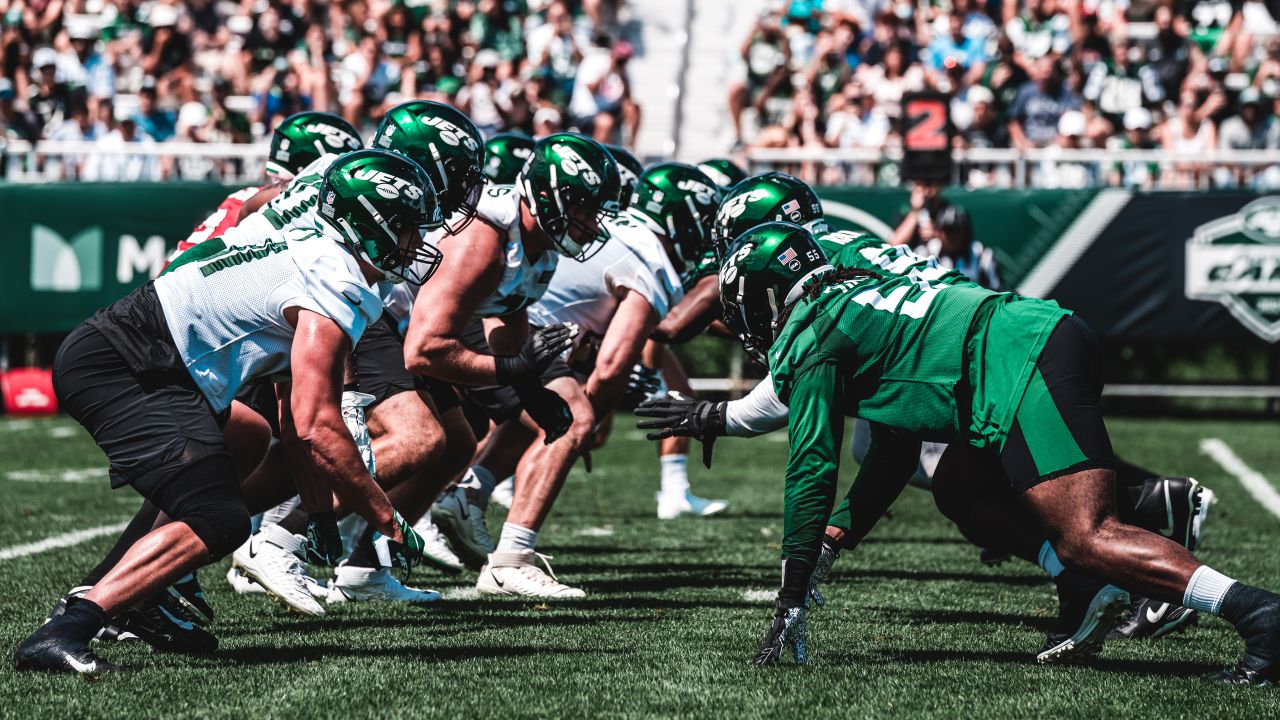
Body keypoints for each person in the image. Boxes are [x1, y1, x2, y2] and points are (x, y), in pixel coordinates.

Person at [710, 221, 1280, 681]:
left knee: (1086, 534)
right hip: (1023, 347)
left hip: (1016, 361)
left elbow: (811, 464)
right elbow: (892, 453)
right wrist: (836, 538)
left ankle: (1256, 611)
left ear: (763, 296)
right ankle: (1084, 578)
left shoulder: (815, 334)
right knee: (958, 481)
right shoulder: (853, 300)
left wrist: (792, 589)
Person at [15, 150, 442, 674]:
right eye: (407, 229)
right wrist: (386, 516)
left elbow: (292, 413)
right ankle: (70, 626)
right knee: (218, 520)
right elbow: (318, 425)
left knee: (249, 435)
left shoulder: (316, 247)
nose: (416, 243)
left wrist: (322, 512)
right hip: (129, 363)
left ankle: (131, 594)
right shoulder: (335, 278)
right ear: (371, 225)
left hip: (142, 355)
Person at [401, 133, 620, 597]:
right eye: (585, 208)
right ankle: (284, 535)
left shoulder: (534, 240)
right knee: (404, 443)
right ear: (549, 196)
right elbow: (422, 348)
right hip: (380, 324)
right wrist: (517, 371)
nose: (593, 222)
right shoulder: (485, 241)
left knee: (459, 442)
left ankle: (360, 565)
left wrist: (532, 389)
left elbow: (508, 330)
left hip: (407, 326)